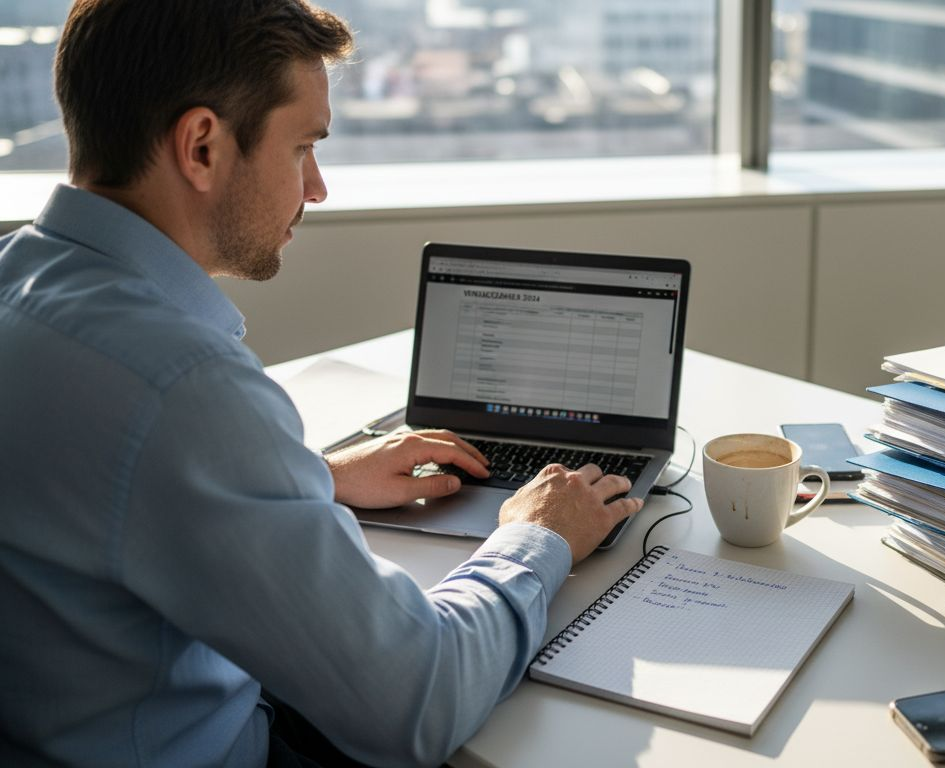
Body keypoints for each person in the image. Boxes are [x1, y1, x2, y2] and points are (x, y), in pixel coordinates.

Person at [0, 1, 642, 766]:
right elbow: (419, 698)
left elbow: (93, 492)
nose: (317, 186)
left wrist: (315, 480)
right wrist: (540, 538)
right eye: (302, 146)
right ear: (201, 146)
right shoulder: (180, 386)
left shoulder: (20, 286)